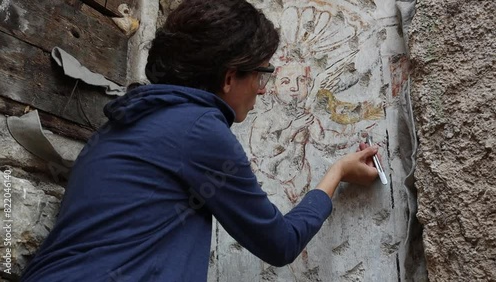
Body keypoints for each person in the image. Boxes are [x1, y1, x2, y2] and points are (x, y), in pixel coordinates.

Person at [21, 0, 379, 281]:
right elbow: (279, 242)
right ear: (229, 77)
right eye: (261, 74)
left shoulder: (126, 122)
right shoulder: (199, 129)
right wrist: (336, 174)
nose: (263, 89)